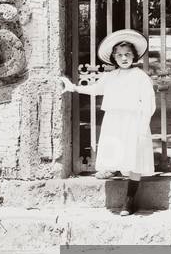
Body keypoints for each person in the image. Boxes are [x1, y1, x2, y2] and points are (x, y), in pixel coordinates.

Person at [59, 28, 156, 216]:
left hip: (134, 121)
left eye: (128, 54)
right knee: (117, 153)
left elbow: (149, 104)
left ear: (134, 55)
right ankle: (111, 170)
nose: (124, 58)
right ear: (114, 58)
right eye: (119, 55)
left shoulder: (140, 77)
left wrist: (143, 127)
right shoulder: (111, 77)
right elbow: (96, 89)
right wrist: (74, 88)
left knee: (134, 160)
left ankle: (129, 200)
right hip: (114, 120)